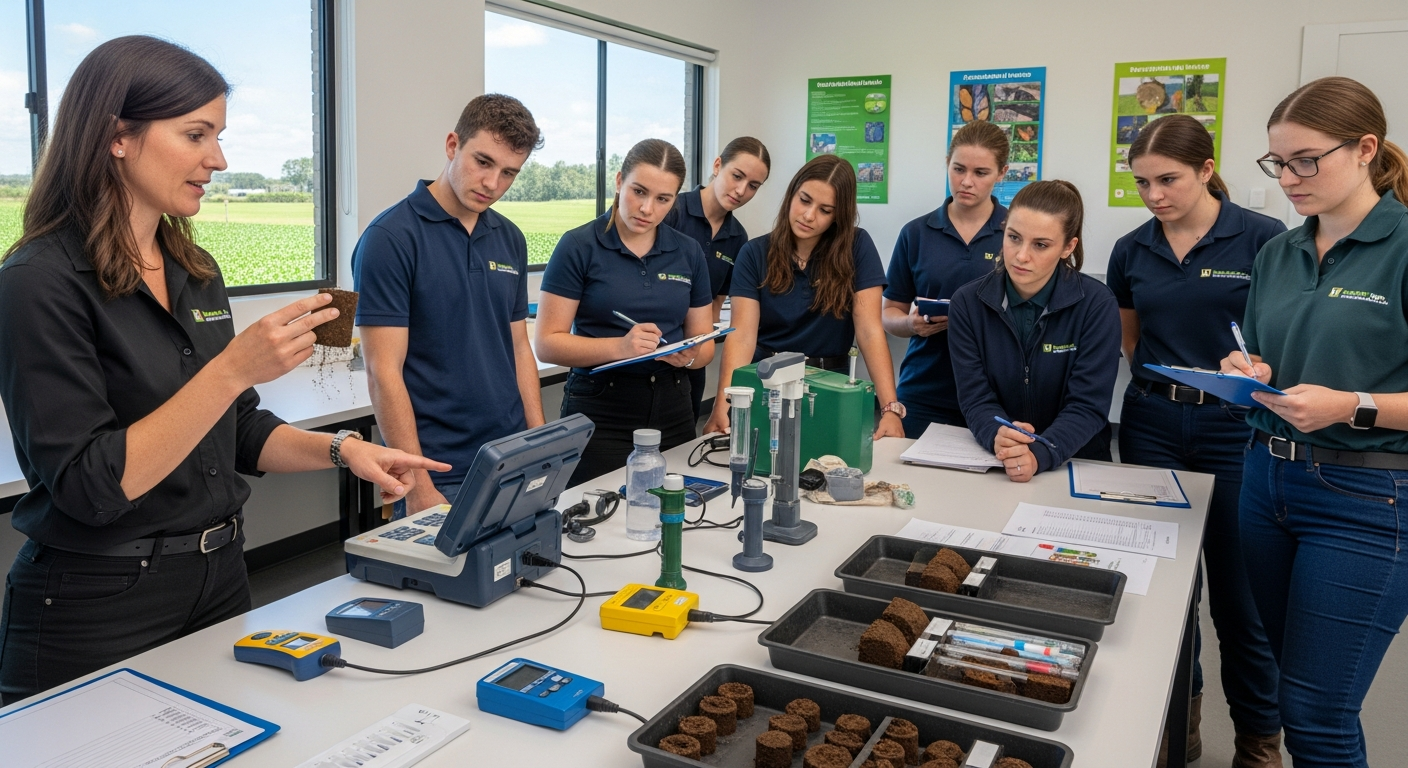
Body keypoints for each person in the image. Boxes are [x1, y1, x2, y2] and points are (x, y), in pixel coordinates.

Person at [0, 37, 448, 704]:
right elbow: (92, 488)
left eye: (219, 136)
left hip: (220, 576)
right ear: (117, 136)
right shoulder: (37, 281)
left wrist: (343, 449)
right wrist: (234, 368)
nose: (218, 159)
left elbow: (235, 428)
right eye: (196, 134)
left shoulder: (194, 268)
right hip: (98, 603)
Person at [1219, 76, 1408, 768]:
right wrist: (1247, 370)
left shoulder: (1403, 246)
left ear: (1365, 149)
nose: (1289, 179)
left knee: (1316, 714)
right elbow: (1270, 357)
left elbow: (1351, 394)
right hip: (1266, 482)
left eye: (1306, 161)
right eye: (1278, 162)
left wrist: (1351, 404)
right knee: (1286, 681)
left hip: (1367, 497)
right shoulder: (1279, 252)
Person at [1108, 114, 1286, 768]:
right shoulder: (1131, 249)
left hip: (1235, 429)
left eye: (1168, 180)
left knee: (1241, 599)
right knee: (1166, 595)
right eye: (1141, 182)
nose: (1154, 195)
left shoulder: (1264, 239)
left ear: (1207, 170)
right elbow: (1131, 338)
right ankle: (1178, 727)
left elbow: (1281, 338)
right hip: (1153, 424)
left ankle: (1258, 742)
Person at [354, 94, 545, 519]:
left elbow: (518, 348)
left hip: (511, 457)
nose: (492, 183)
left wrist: (539, 445)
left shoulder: (510, 238)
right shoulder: (391, 238)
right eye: (483, 162)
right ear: (452, 145)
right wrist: (419, 485)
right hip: (440, 470)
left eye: (509, 173)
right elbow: (382, 372)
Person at [536, 139, 714, 487]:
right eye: (639, 191)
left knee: (676, 507)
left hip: (674, 406)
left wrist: (689, 357)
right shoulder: (578, 246)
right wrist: (620, 347)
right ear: (619, 181)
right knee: (595, 512)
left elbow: (704, 345)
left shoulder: (688, 252)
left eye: (663, 199)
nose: (647, 208)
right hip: (600, 408)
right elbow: (547, 344)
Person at [703, 155, 904, 440]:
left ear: (838, 216)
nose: (809, 216)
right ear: (791, 194)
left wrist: (890, 409)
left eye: (825, 210)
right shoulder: (755, 253)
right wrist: (723, 405)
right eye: (804, 200)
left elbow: (870, 332)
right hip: (767, 384)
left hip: (830, 386)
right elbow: (742, 337)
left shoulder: (857, 247)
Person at [948, 180, 1119, 482]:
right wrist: (997, 435)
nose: (1021, 256)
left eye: (1040, 245)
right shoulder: (967, 303)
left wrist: (1040, 453)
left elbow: (1088, 406)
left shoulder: (1096, 304)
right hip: (1000, 461)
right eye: (1014, 237)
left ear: (1068, 247)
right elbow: (975, 398)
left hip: (1077, 462)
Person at [883, 121, 1010, 437]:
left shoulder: (1015, 233)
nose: (966, 182)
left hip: (998, 394)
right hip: (923, 390)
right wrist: (911, 324)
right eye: (958, 169)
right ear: (947, 164)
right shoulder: (916, 233)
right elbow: (889, 313)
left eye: (981, 173)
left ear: (1002, 173)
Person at [661, 137, 771, 423]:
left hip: (691, 361)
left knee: (684, 438)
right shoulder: (672, 210)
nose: (741, 190)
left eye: (753, 186)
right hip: (651, 351)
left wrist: (696, 353)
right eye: (737, 176)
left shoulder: (738, 237)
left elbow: (714, 305)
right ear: (718, 165)